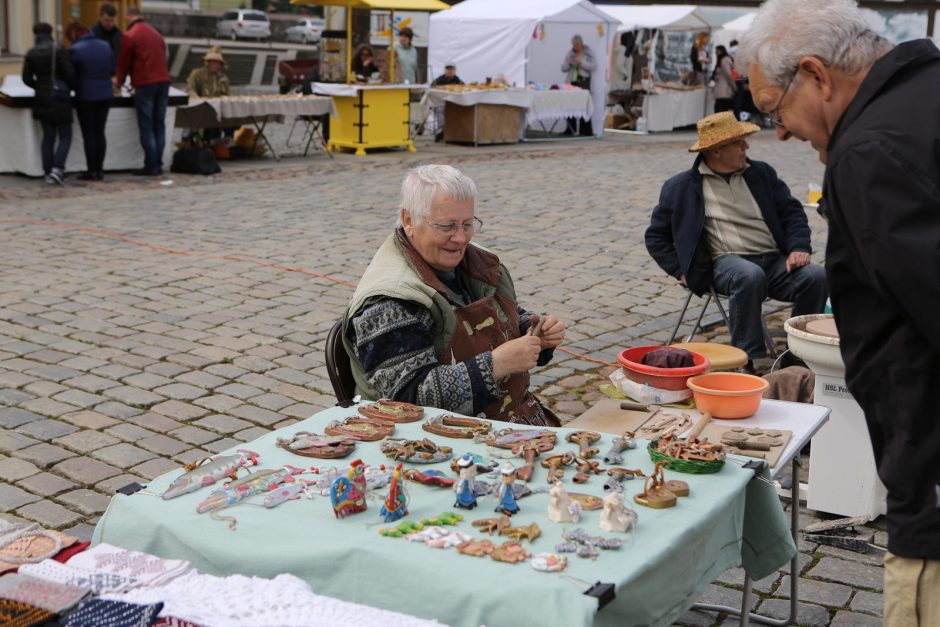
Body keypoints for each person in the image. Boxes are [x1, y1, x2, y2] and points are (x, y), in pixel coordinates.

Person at [738, 1, 940, 622]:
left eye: (775, 110)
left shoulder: (872, 151)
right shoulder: (924, 96)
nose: (779, 133)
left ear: (817, 75)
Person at [343, 164, 567, 426]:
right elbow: (405, 399)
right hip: (427, 442)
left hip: (508, 422)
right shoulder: (390, 300)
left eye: (467, 224)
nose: (461, 238)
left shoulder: (477, 263)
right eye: (447, 226)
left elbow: (504, 314)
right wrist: (497, 364)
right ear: (408, 220)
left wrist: (534, 329)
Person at [645, 111, 827, 369]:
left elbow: (792, 212)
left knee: (816, 277)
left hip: (774, 261)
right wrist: (680, 270)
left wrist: (798, 246)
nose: (746, 147)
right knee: (748, 275)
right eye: (738, 142)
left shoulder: (761, 173)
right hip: (725, 263)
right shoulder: (682, 187)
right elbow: (656, 236)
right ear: (716, 150)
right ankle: (747, 358)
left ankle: (797, 356)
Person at [115, 6, 171, 176]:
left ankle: (151, 165)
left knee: (146, 125)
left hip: (146, 84)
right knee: (159, 124)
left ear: (129, 17)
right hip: (163, 82)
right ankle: (159, 163)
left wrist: (120, 81)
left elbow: (124, 62)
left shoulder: (130, 35)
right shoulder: (156, 33)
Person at [21, 22, 75, 186]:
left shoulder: (31, 52)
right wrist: (71, 86)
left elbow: (26, 78)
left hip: (42, 98)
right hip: (60, 97)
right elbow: (69, 73)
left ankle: (47, 170)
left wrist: (39, 86)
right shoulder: (58, 49)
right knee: (65, 134)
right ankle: (58, 169)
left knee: (48, 136)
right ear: (50, 33)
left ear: (35, 34)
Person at [67, 22, 114, 181]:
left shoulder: (75, 50)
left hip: (85, 95)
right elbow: (112, 69)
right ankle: (100, 170)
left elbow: (71, 75)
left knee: (89, 134)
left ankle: (91, 170)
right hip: (106, 94)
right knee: (100, 132)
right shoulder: (105, 46)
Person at [186, 46, 232, 144]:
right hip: (202, 109)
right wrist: (198, 100)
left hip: (220, 109)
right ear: (207, 63)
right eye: (212, 62)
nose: (215, 65)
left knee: (232, 120)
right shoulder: (197, 74)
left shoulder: (223, 78)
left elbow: (228, 96)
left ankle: (227, 143)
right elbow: (191, 90)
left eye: (217, 63)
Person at [561, 34, 596, 136]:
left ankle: (585, 131)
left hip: (583, 81)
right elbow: (563, 68)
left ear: (581, 44)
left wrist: (581, 62)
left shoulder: (588, 53)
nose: (575, 47)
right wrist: (569, 63)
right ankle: (570, 129)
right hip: (572, 82)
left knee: (583, 106)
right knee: (570, 105)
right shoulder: (570, 53)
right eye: (573, 45)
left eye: (577, 45)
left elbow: (593, 66)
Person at [430, 62, 463, 142]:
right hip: (441, 103)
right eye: (448, 69)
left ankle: (455, 133)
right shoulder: (439, 80)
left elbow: (464, 89)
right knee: (440, 108)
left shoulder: (458, 81)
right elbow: (431, 88)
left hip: (454, 104)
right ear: (445, 70)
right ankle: (441, 130)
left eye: (451, 69)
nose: (450, 71)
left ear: (455, 71)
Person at [711, 45, 736, 113]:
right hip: (722, 91)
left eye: (717, 51)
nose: (716, 53)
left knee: (721, 110)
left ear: (721, 51)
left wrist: (734, 87)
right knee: (720, 110)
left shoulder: (724, 60)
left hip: (724, 90)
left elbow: (728, 75)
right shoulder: (721, 60)